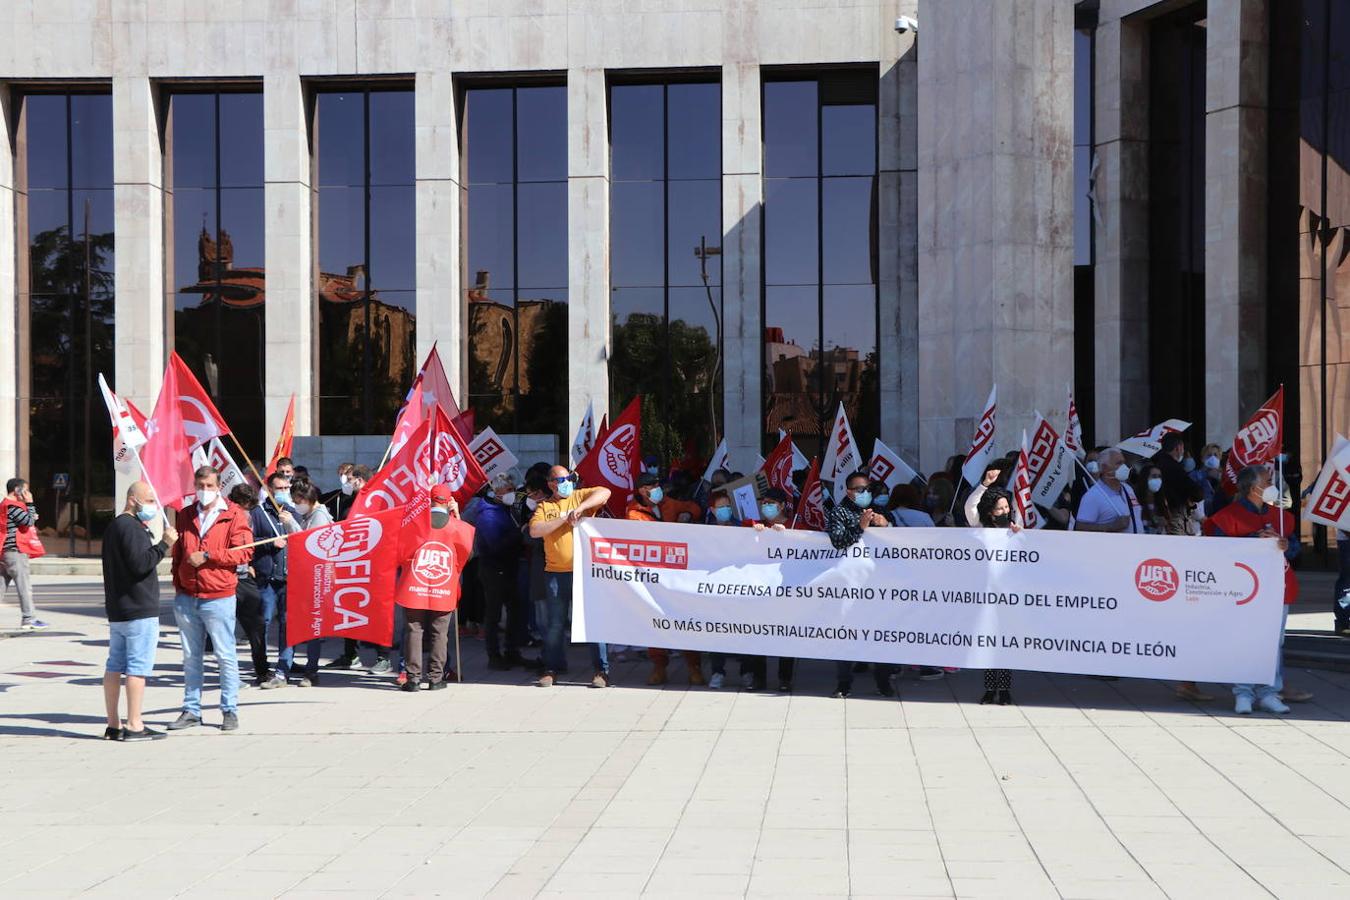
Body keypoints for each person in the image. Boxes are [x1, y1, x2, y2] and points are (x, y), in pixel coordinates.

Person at [1204, 465, 1309, 713]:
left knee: (1274, 642)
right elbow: (1217, 551)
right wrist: (1253, 541)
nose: (1273, 484)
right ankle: (1243, 692)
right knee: (1246, 639)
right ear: (1253, 488)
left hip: (1277, 588)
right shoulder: (1228, 516)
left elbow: (1295, 550)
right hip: (1243, 591)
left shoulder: (1282, 517)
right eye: (1267, 480)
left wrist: (1284, 544)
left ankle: (1270, 692)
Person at [168, 466, 254, 732]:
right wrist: (178, 581)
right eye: (200, 485)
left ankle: (229, 709)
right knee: (191, 656)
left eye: (210, 485)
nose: (205, 490)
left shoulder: (233, 514)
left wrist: (208, 556)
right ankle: (191, 709)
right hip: (187, 595)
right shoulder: (185, 514)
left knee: (224, 655)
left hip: (218, 596)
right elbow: (179, 552)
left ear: (219, 487)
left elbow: (244, 552)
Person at [101, 481, 178, 741]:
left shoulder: (114, 526)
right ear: (132, 499)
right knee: (137, 668)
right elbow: (140, 564)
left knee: (114, 665)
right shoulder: (131, 527)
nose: (153, 507)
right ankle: (134, 724)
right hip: (138, 608)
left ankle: (114, 724)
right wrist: (164, 545)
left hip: (119, 608)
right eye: (148, 501)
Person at [528, 465, 611, 688]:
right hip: (556, 574)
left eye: (569, 477)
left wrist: (581, 508)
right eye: (562, 479)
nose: (567, 481)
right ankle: (552, 668)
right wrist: (565, 518)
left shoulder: (579, 496)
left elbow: (605, 492)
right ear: (551, 484)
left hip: (585, 572)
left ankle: (601, 670)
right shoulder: (545, 506)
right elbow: (535, 530)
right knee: (555, 623)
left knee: (592, 621)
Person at [627, 472, 705, 686]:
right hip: (652, 576)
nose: (657, 488)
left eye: (657, 484)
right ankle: (659, 667)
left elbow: (694, 508)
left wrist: (687, 515)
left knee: (685, 620)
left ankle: (693, 667)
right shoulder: (633, 513)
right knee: (655, 620)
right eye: (651, 485)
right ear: (642, 490)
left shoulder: (669, 503)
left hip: (677, 573)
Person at [826, 470, 895, 698]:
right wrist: (860, 527)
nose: (865, 493)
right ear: (848, 491)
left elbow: (899, 542)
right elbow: (838, 541)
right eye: (859, 490)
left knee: (881, 634)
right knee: (845, 633)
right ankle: (843, 683)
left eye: (867, 489)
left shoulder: (879, 510)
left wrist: (886, 526)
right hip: (849, 584)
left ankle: (883, 681)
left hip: (877, 583)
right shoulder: (839, 512)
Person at [399, 485, 466, 692]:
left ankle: (413, 679)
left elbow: (401, 550)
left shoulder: (415, 523)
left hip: (414, 584)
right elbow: (467, 552)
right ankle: (436, 678)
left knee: (414, 630)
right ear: (448, 501)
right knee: (439, 632)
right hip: (443, 585)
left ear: (429, 500)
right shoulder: (455, 525)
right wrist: (456, 515)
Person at [269, 481, 328, 687]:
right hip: (298, 579)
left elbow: (309, 542)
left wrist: (290, 523)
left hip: (314, 581)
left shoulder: (320, 516)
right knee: (288, 625)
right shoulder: (307, 515)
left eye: (298, 500)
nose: (295, 504)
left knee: (312, 627)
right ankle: (282, 671)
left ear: (308, 499)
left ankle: (311, 672)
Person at [252, 473, 305, 688]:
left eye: (286, 487)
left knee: (287, 625)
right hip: (267, 579)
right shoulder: (258, 513)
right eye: (279, 488)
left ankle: (283, 669)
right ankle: (262, 668)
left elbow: (305, 540)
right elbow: (248, 541)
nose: (283, 491)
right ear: (270, 489)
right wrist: (269, 542)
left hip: (290, 579)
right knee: (262, 623)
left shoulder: (294, 513)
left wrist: (291, 523)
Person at [474, 472, 530, 670]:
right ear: (496, 491)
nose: (512, 494)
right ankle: (494, 655)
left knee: (515, 610)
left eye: (513, 490)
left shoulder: (502, 508)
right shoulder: (487, 513)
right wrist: (519, 532)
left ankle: (512, 651)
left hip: (508, 566)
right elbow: (495, 544)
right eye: (508, 490)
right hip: (494, 568)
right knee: (494, 614)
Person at [975, 486, 1020, 704]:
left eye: (1006, 508)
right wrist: (984, 485)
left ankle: (1004, 689)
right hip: (985, 597)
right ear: (990, 512)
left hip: (1008, 598)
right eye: (999, 508)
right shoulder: (980, 529)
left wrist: (1020, 536)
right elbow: (969, 506)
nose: (1004, 511)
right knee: (988, 644)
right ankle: (989, 688)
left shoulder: (1014, 532)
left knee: (1005, 644)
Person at [751, 489, 796, 691]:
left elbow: (809, 546)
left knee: (786, 635)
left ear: (781, 505)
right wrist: (754, 531)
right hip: (761, 591)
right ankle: (758, 678)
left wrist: (789, 536)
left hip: (787, 591)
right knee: (758, 634)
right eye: (763, 502)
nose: (765, 506)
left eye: (770, 503)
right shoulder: (758, 525)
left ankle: (784, 679)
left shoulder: (796, 525)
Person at [227, 484, 271, 687]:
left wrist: (250, 564)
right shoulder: (225, 517)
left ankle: (262, 671)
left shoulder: (249, 516)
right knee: (225, 630)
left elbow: (250, 544)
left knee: (257, 626)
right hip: (227, 578)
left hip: (245, 579)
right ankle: (229, 676)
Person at [2, 477, 46, 630]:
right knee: (24, 586)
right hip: (16, 551)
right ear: (17, 490)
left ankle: (29, 618)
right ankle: (29, 619)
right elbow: (27, 521)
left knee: (1, 586)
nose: (27, 493)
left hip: (5, 551)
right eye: (25, 490)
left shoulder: (3, 505)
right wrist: (30, 504)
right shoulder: (13, 506)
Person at [1071, 449, 1142, 534]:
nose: (1124, 467)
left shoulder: (1128, 489)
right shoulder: (1093, 496)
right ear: (1104, 467)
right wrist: (1111, 526)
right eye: (1119, 463)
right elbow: (1080, 528)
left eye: (1124, 463)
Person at [1152, 433, 1202, 535]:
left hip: (1161, 519)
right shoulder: (1175, 468)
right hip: (1175, 518)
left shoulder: (1156, 466)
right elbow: (1196, 492)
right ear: (1178, 448)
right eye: (1183, 448)